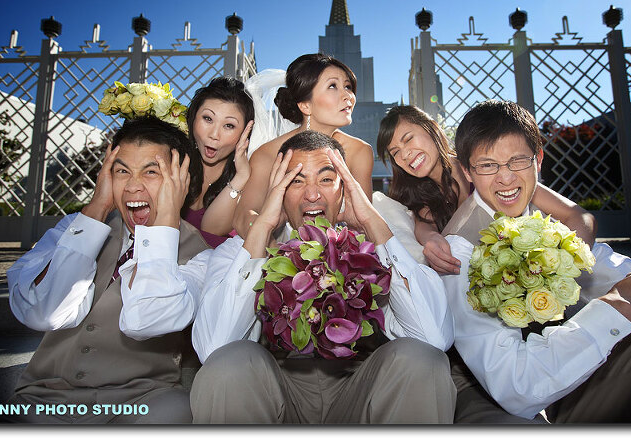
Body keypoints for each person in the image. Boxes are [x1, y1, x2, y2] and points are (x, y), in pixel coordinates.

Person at [145, 130, 455, 423]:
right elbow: (214, 348)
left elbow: (434, 338)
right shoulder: (239, 252)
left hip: (361, 390)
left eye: (327, 179)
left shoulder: (379, 245)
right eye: (295, 181)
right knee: (228, 364)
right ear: (277, 190)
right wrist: (262, 230)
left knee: (423, 359)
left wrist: (372, 223)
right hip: (276, 393)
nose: (312, 194)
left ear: (345, 189)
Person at [442, 99, 631, 423]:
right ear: (468, 172)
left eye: (518, 160)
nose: (506, 178)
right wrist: (620, 306)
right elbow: (514, 384)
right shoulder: (459, 252)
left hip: (570, 375)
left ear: (538, 160)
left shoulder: (547, 218)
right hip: (497, 393)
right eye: (488, 165)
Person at [6, 116, 210, 423]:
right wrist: (97, 208)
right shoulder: (72, 230)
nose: (133, 186)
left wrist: (164, 223)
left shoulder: (202, 256)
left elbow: (146, 320)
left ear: (182, 180)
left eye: (151, 172)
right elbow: (43, 313)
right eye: (121, 171)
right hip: (45, 399)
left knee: (177, 414)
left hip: (143, 401)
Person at [377, 104, 596, 275]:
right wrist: (430, 239)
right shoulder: (419, 197)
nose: (405, 154)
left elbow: (579, 216)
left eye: (408, 139)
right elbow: (425, 226)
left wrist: (564, 266)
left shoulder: (489, 170)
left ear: (432, 128)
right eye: (395, 152)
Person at [233, 53, 374, 239]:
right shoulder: (268, 154)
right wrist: (275, 248)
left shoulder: (359, 152)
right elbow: (243, 217)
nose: (348, 96)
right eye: (333, 86)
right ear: (305, 106)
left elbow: (362, 225)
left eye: (348, 86)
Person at [184, 76, 255, 248]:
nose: (214, 134)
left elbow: (211, 230)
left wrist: (241, 176)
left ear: (245, 132)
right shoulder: (174, 165)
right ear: (193, 118)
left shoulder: (250, 183)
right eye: (208, 119)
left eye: (229, 125)